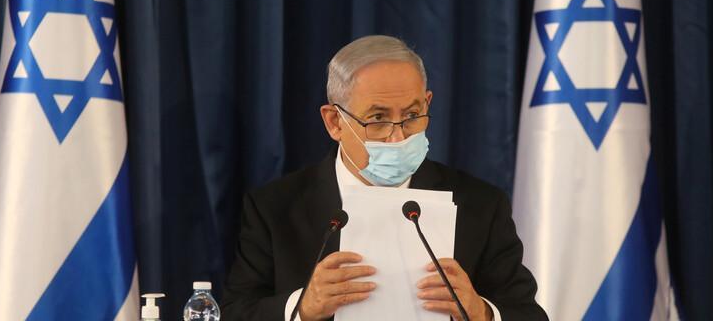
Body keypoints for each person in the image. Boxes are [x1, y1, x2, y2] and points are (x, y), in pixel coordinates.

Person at [221, 35, 547, 321]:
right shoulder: (275, 207)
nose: (398, 137)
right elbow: (235, 313)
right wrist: (302, 308)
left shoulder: (480, 204)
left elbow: (528, 315)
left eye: (412, 115)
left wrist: (481, 312)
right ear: (334, 122)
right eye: (377, 119)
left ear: (428, 103)